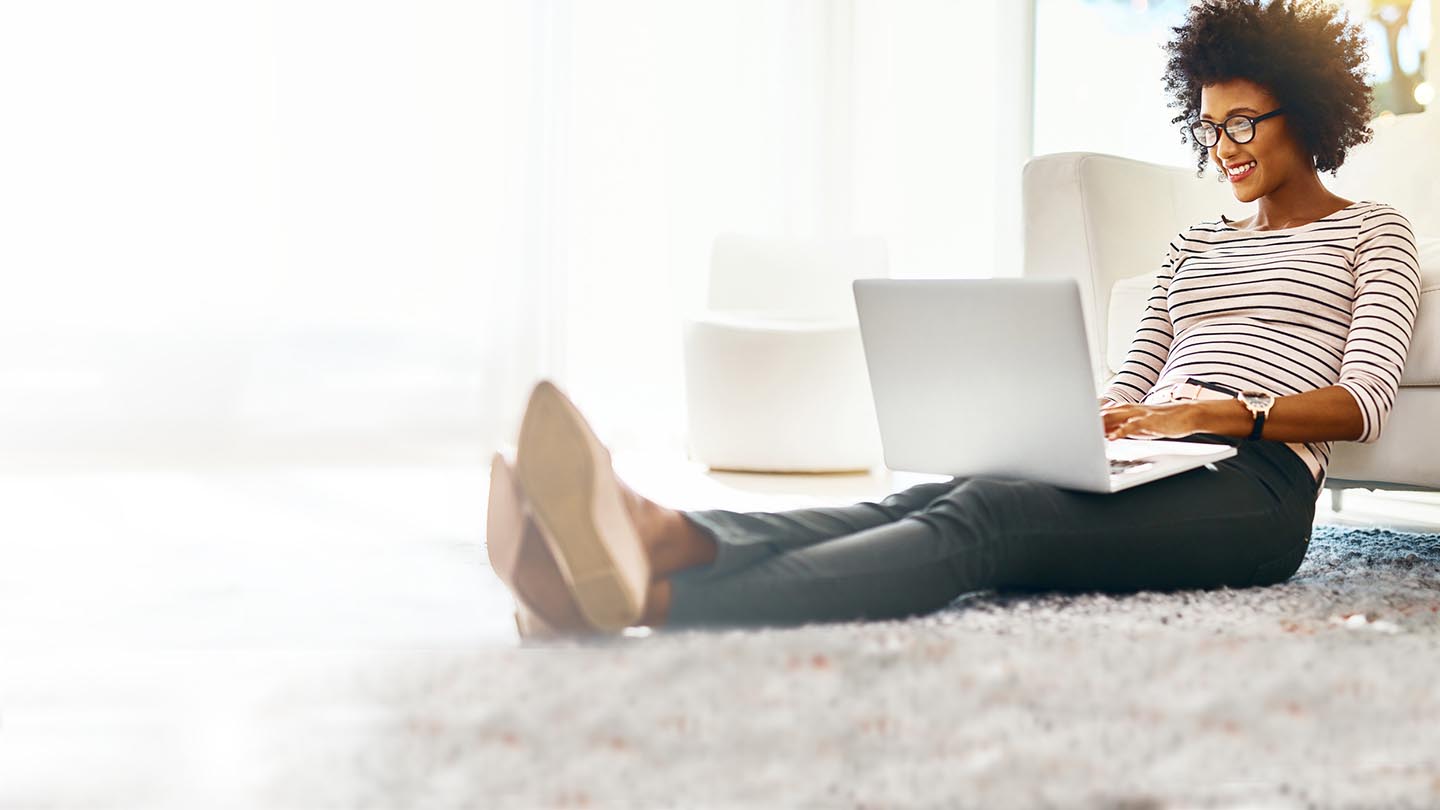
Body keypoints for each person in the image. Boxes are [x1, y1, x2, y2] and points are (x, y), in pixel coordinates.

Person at [485, 0, 1422, 639]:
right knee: (941, 493)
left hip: (1255, 492)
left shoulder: (1373, 234)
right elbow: (1132, 388)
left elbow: (1363, 401)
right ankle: (662, 534)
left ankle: (653, 596)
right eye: (1211, 128)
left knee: (990, 519)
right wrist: (1071, 421)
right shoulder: (1192, 247)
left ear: (1303, 114)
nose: (1224, 149)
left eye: (1244, 124)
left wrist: (1218, 416)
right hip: (1153, 458)